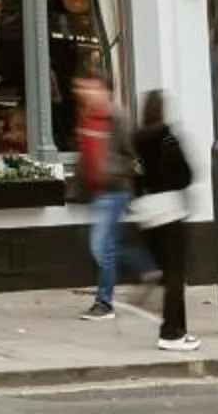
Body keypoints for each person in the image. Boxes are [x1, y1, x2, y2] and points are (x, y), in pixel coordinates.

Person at [71, 76, 155, 320]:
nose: (83, 91)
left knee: (101, 246)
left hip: (115, 188)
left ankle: (104, 303)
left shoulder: (117, 117)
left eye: (89, 87)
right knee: (108, 245)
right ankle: (148, 269)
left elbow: (132, 151)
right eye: (82, 87)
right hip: (97, 191)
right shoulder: (86, 116)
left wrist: (122, 174)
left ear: (105, 90)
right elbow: (84, 153)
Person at [127, 90, 197, 354]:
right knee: (176, 273)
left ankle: (180, 330)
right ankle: (171, 332)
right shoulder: (168, 139)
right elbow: (186, 175)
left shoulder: (136, 140)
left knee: (168, 273)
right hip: (170, 209)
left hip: (146, 211)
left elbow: (133, 177)